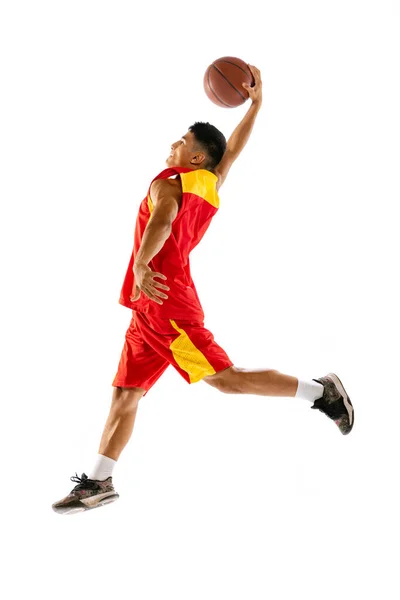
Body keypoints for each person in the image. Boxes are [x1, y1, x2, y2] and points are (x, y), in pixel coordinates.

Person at [52, 65, 354, 515]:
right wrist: (256, 105)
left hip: (166, 309)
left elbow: (163, 219)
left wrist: (140, 263)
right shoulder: (209, 182)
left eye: (182, 141)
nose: (173, 143)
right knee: (125, 393)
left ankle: (321, 391)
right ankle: (98, 481)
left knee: (225, 381)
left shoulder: (169, 182)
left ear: (193, 157)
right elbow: (231, 151)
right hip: (147, 313)